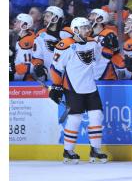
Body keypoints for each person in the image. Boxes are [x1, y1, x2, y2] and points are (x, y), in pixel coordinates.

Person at [49, 17, 108, 163]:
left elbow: (99, 60)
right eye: (84, 27)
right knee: (75, 119)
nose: (88, 29)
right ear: (75, 30)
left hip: (90, 87)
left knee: (96, 116)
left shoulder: (93, 43)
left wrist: (110, 50)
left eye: (89, 27)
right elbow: (55, 68)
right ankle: (68, 151)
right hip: (72, 87)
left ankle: (95, 150)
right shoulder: (65, 45)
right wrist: (56, 86)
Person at [32, 6, 71, 81]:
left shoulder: (68, 34)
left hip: (69, 80)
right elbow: (37, 57)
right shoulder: (40, 35)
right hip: (50, 79)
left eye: (47, 16)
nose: (44, 19)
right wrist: (38, 66)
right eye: (45, 16)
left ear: (55, 18)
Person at [88, 8, 124, 80]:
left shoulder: (108, 33)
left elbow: (113, 54)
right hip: (91, 76)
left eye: (93, 15)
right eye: (90, 15)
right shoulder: (87, 35)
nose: (89, 18)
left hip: (106, 75)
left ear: (100, 19)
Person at [13, 13, 35, 81]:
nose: (14, 23)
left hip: (27, 81)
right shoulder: (23, 38)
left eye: (18, 22)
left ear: (25, 26)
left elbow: (29, 67)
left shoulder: (26, 41)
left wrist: (11, 72)